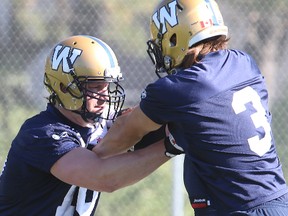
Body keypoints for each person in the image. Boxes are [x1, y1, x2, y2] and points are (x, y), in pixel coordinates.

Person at [93, 0, 288, 215]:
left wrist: (91, 151)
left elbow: (123, 133)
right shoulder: (245, 63)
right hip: (279, 201)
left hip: (238, 209)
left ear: (176, 36)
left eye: (162, 41)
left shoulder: (182, 88)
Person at [0, 35, 181, 216]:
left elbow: (148, 123)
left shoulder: (101, 119)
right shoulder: (41, 134)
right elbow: (103, 177)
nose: (104, 97)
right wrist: (173, 145)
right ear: (64, 87)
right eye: (94, 87)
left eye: (106, 86)